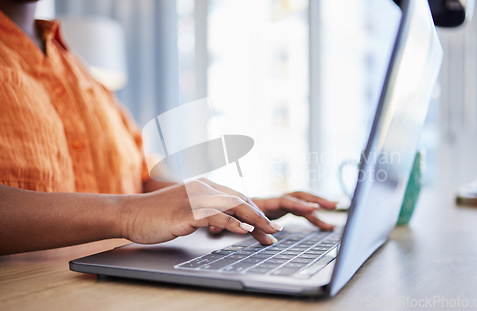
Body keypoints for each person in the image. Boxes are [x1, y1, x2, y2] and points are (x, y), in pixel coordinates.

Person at [0, 0, 336, 256]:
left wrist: (231, 207)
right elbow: (135, 208)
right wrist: (126, 214)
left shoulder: (80, 72)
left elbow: (142, 181)